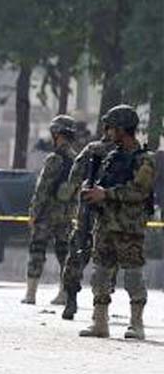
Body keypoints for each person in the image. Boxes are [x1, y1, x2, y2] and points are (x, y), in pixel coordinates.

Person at [79, 105, 155, 339]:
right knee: (100, 273)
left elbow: (138, 192)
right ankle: (100, 322)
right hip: (105, 225)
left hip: (128, 228)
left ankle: (136, 324)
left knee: (132, 275)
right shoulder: (111, 157)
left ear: (123, 129)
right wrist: (90, 190)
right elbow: (102, 184)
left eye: (111, 127)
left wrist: (107, 194)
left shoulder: (145, 160)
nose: (108, 132)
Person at [57, 130, 115, 320]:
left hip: (87, 212)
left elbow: (74, 178)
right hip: (110, 216)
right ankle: (100, 308)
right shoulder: (122, 152)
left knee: (76, 257)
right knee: (107, 262)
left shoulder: (92, 149)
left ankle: (71, 300)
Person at [22, 115, 77, 305]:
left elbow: (42, 189)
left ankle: (31, 294)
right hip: (67, 215)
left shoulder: (54, 159)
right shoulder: (77, 159)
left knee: (37, 251)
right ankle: (64, 293)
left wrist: (34, 213)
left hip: (47, 215)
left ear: (57, 134)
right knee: (64, 254)